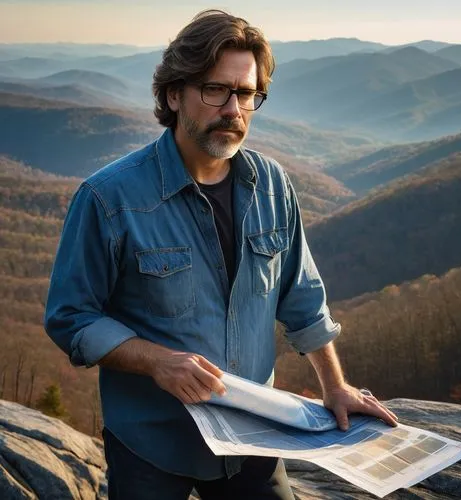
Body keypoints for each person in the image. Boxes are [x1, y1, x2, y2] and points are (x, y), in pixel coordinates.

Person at [44, 9, 398, 500]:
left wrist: (334, 387)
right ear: (174, 94)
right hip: (152, 442)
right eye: (216, 91)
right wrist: (157, 362)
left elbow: (302, 298)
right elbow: (71, 317)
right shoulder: (109, 198)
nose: (234, 109)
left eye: (247, 93)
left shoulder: (272, 185)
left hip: (254, 436)